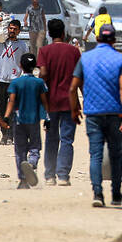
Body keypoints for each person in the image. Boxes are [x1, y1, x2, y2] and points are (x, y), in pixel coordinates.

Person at [69, 24, 122, 208]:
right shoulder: (120, 59)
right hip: (114, 113)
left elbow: (73, 88)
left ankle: (97, 193)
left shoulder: (85, 58)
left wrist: (74, 109)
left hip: (93, 114)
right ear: (113, 39)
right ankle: (116, 193)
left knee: (95, 155)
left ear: (97, 39)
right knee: (116, 154)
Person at [37, 18, 79, 186]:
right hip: (70, 101)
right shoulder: (74, 52)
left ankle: (49, 175)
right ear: (63, 33)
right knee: (67, 139)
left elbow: (44, 73)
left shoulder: (44, 51)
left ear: (49, 34)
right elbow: (79, 77)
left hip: (50, 102)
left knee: (51, 138)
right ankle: (63, 175)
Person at [5, 52, 48, 189]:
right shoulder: (39, 82)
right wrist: (47, 117)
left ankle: (23, 180)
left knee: (20, 150)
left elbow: (11, 100)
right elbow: (44, 101)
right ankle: (32, 163)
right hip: (34, 119)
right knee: (35, 146)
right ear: (34, 66)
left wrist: (6, 117)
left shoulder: (16, 82)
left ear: (20, 65)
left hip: (19, 120)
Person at [0, 19, 27, 145]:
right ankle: (4, 135)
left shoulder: (22, 45)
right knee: (1, 110)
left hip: (15, 81)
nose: (12, 31)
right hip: (0, 81)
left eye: (15, 29)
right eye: (10, 28)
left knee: (13, 109)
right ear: (7, 29)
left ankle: (11, 136)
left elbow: (25, 62)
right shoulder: (0, 42)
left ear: (19, 31)